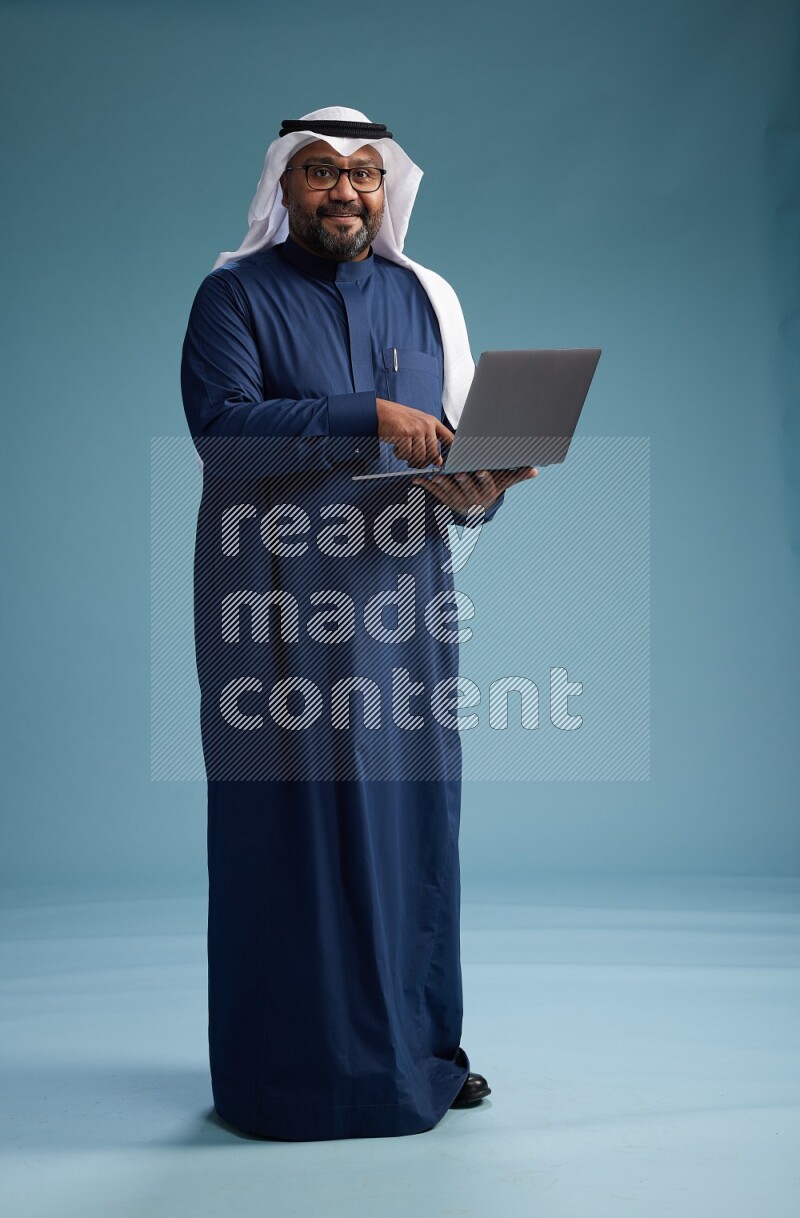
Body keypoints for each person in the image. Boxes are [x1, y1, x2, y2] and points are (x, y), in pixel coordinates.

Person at [180, 106, 536, 1142]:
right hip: (274, 605)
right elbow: (222, 436)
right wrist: (364, 415)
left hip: (403, 602)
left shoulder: (427, 301)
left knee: (411, 823)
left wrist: (479, 493)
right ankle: (283, 1074)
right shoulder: (231, 297)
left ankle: (414, 1054)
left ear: (389, 192)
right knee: (286, 828)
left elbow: (459, 455)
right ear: (282, 188)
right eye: (323, 173)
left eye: (365, 176)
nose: (346, 192)